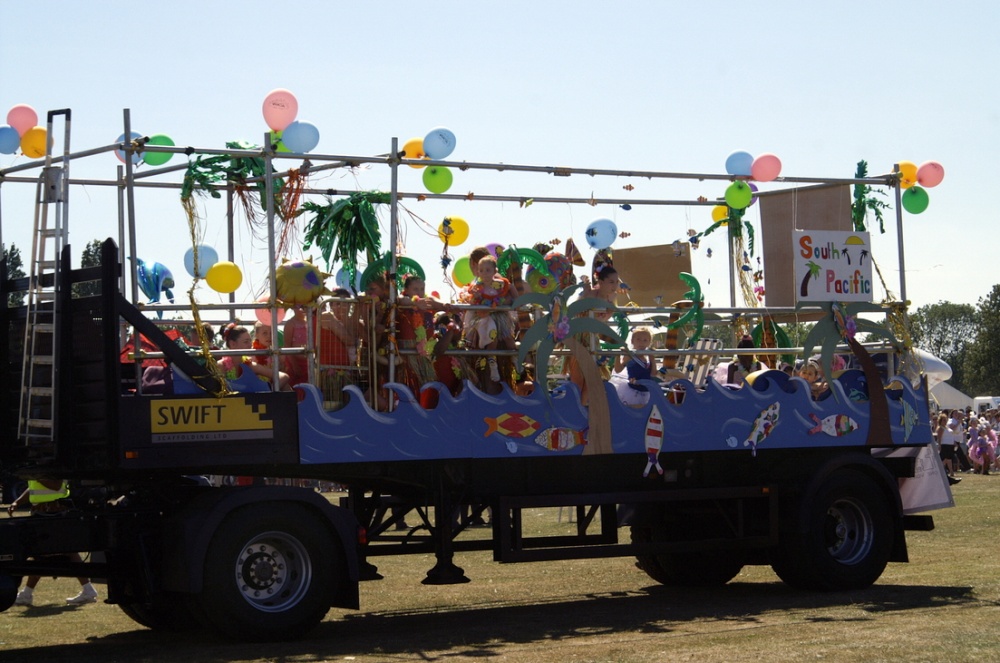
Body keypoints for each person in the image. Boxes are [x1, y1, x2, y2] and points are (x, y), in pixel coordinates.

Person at [8, 479, 99, 606]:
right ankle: (27, 594)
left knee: (58, 551)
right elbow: (34, 488)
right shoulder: (37, 472)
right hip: (43, 512)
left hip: (53, 511)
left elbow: (56, 486)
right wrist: (17, 502)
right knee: (43, 552)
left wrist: (37, 477)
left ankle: (88, 590)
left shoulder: (47, 471)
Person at [464, 255, 516, 386]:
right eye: (481, 270)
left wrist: (516, 300)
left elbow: (510, 288)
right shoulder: (478, 287)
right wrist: (475, 297)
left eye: (488, 270)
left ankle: (516, 360)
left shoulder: (499, 284)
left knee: (509, 338)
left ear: (494, 271)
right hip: (486, 317)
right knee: (492, 339)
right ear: (478, 272)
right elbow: (472, 301)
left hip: (500, 315)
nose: (484, 273)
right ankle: (493, 364)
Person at [219, 324, 291, 390]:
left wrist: (269, 392)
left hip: (253, 399)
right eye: (246, 342)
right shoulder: (221, 365)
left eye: (250, 341)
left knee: (286, 387)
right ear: (233, 344)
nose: (250, 345)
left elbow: (283, 376)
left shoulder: (249, 364)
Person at [611, 326, 657, 408]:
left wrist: (652, 358)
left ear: (649, 343)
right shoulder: (630, 356)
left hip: (646, 391)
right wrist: (618, 355)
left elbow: (653, 374)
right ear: (632, 341)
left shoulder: (648, 357)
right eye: (638, 339)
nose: (641, 343)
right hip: (633, 391)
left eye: (645, 340)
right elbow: (618, 370)